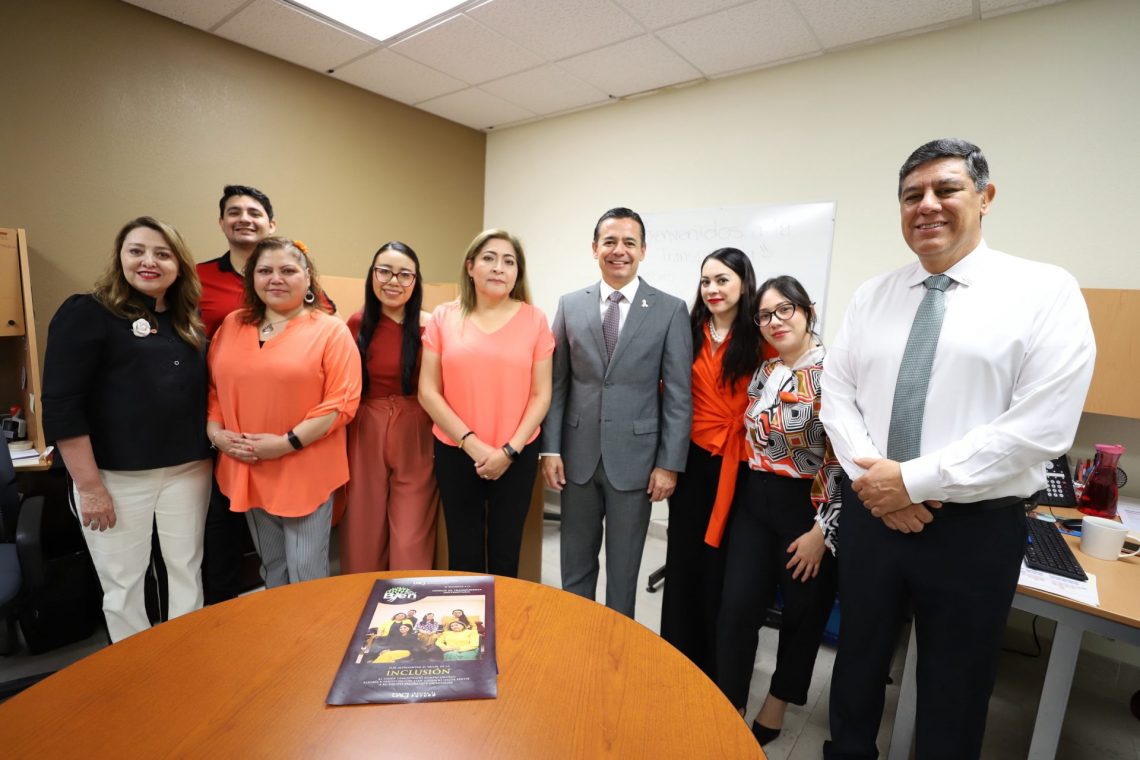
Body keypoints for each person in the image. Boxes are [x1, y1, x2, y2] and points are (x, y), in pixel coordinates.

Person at [820, 139, 1096, 759]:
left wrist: (911, 482)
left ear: (985, 197)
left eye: (946, 189)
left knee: (956, 687)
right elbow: (836, 397)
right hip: (871, 514)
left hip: (973, 530)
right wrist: (881, 483)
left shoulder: (1044, 291)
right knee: (857, 661)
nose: (927, 205)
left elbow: (1041, 427)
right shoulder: (872, 296)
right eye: (911, 195)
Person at [42, 217, 212, 642]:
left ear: (179, 265)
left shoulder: (187, 320)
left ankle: (188, 655)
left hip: (187, 470)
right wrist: (89, 487)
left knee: (186, 571)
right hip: (114, 478)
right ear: (120, 257)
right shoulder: (88, 313)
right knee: (124, 585)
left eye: (162, 253)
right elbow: (62, 406)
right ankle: (135, 669)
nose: (148, 261)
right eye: (137, 251)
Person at [543, 207, 692, 618]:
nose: (619, 250)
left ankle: (615, 645)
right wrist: (550, 449)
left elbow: (678, 396)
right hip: (577, 457)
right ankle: (576, 635)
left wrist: (669, 465)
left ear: (643, 250)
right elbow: (557, 384)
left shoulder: (669, 310)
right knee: (575, 564)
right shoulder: (570, 305)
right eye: (609, 241)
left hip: (637, 462)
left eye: (629, 242)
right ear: (595, 248)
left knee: (623, 571)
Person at [715, 275, 841, 747]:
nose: (774, 321)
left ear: (808, 311)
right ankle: (731, 701)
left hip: (807, 506)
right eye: (765, 315)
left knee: (802, 614)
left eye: (785, 309)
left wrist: (822, 531)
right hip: (756, 500)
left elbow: (845, 460)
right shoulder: (766, 370)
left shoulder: (835, 374)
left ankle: (778, 701)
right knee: (737, 606)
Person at [207, 236, 361, 588]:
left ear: (307, 278)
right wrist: (216, 434)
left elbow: (341, 402)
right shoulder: (232, 325)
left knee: (306, 570)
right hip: (248, 465)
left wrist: (285, 443)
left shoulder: (330, 331)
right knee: (273, 566)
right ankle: (278, 624)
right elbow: (214, 388)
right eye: (265, 271)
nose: (276, 279)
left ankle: (312, 626)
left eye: (288, 270)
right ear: (252, 278)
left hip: (305, 468)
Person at [419, 229, 553, 578]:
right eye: (489, 258)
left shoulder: (535, 320)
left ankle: (502, 613)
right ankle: (466, 615)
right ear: (470, 267)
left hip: (517, 453)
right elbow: (428, 391)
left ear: (517, 273)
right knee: (463, 552)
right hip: (456, 450)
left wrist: (509, 451)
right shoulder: (444, 317)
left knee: (506, 552)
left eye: (509, 262)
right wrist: (471, 444)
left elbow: (541, 395)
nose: (498, 268)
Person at [660, 247, 762, 678]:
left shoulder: (760, 336)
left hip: (740, 465)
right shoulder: (687, 330)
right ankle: (675, 659)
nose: (712, 289)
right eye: (706, 281)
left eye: (722, 280)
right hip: (692, 460)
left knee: (724, 567)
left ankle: (714, 668)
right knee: (684, 559)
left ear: (743, 283)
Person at [196, 185, 276, 605]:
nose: (244, 218)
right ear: (221, 222)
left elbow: (321, 323)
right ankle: (221, 603)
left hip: (275, 422)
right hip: (214, 415)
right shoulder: (197, 277)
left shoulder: (288, 274)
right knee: (219, 514)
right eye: (234, 212)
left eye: (254, 212)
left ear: (270, 224)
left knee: (273, 520)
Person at [340, 241, 439, 573]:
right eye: (384, 271)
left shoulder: (431, 326)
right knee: (363, 525)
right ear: (372, 275)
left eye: (404, 274)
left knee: (412, 531)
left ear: (416, 280)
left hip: (417, 426)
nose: (393, 281)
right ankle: (360, 595)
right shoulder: (356, 323)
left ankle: (408, 597)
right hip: (365, 425)